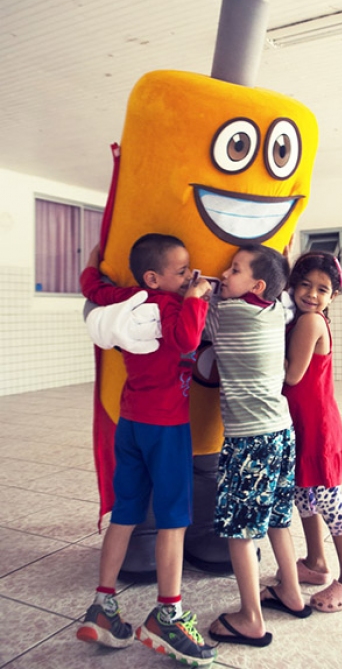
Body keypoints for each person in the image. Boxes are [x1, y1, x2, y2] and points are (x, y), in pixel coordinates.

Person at [77, 233, 217, 667]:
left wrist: (93, 262)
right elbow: (188, 340)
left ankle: (103, 606)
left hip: (131, 423)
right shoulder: (172, 306)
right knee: (173, 519)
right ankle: (167, 616)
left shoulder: (128, 297)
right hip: (166, 428)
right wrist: (196, 298)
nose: (189, 276)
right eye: (182, 271)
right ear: (154, 277)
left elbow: (93, 289)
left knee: (125, 513)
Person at [205, 245, 311, 649]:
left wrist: (195, 289)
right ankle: (291, 592)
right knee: (278, 518)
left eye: (234, 270)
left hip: (249, 440)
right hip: (281, 432)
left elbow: (195, 311)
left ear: (258, 286)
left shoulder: (229, 314)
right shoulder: (275, 311)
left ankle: (251, 618)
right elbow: (284, 296)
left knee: (239, 531)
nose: (223, 274)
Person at [280, 250, 342, 612]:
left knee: (328, 501)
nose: (312, 294)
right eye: (304, 284)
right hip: (302, 422)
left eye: (322, 289)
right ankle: (315, 563)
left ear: (333, 296)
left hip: (317, 426)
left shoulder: (311, 322)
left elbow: (291, 375)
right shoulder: (300, 320)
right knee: (304, 496)